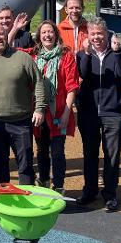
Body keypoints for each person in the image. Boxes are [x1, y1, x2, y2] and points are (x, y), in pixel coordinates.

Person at [0, 24, 47, 217]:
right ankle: (3, 203)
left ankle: (26, 202)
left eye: (1, 34)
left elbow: (38, 82)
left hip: (21, 121)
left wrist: (39, 108)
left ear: (8, 36)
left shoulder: (23, 58)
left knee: (24, 164)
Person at [75, 18, 121, 210]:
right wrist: (86, 54)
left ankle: (110, 194)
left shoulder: (115, 53)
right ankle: (90, 190)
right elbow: (82, 74)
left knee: (112, 155)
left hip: (112, 112)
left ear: (106, 34)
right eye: (93, 34)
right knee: (90, 153)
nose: (97, 37)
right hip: (88, 112)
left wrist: (118, 53)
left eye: (100, 33)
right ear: (88, 36)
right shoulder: (83, 54)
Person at [19, 21, 79, 194]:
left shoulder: (66, 56)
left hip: (59, 111)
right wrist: (15, 29)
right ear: (39, 36)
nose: (47, 35)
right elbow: (9, 49)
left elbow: (72, 86)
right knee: (41, 149)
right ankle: (44, 181)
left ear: (56, 34)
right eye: (44, 32)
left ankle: (58, 186)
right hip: (38, 111)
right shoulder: (33, 55)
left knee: (58, 151)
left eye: (50, 32)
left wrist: (68, 113)